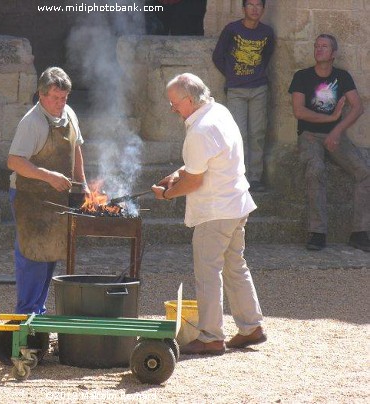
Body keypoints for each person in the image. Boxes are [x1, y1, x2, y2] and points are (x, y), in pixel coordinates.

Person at [151, 73, 266, 355]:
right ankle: (251, 326)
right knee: (234, 265)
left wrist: (166, 194)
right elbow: (203, 163)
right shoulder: (219, 111)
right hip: (236, 203)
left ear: (189, 100)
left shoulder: (200, 129)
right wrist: (176, 174)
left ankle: (212, 336)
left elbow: (195, 181)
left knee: (208, 270)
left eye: (174, 103)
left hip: (216, 210)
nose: (173, 108)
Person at [7, 67, 89, 314]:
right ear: (41, 95)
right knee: (32, 256)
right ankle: (26, 313)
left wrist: (81, 183)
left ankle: (39, 312)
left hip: (57, 198)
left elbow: (76, 148)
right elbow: (14, 161)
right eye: (55, 98)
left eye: (64, 98)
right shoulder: (31, 123)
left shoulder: (69, 115)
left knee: (51, 253)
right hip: (30, 198)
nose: (60, 103)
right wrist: (48, 176)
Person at [288, 34, 370, 252]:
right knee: (315, 169)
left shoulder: (342, 76)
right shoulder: (302, 76)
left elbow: (358, 107)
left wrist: (336, 130)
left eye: (324, 47)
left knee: (364, 171)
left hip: (336, 135)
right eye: (316, 46)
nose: (319, 49)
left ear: (333, 54)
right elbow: (299, 111)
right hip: (310, 135)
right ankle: (317, 232)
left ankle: (360, 232)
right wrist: (331, 118)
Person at [212, 0, 274, 192]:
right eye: (251, 5)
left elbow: (267, 56)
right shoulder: (232, 29)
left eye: (259, 5)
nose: (255, 9)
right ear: (243, 8)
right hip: (236, 90)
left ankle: (255, 177)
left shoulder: (267, 32)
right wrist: (232, 74)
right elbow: (218, 56)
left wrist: (256, 74)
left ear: (263, 9)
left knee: (257, 133)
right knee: (238, 134)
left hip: (259, 88)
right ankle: (238, 176)